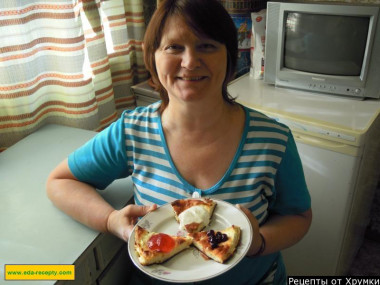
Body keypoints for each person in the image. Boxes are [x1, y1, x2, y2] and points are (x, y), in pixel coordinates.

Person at [46, 0, 312, 284]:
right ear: (153, 57)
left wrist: (258, 243)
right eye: (174, 47)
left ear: (230, 58)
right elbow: (60, 181)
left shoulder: (274, 140)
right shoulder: (132, 131)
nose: (189, 62)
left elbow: (298, 216)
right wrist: (111, 220)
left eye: (207, 46)